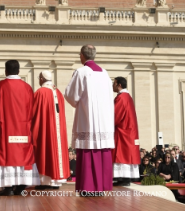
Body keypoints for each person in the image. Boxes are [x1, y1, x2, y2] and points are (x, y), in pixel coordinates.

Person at [65, 45, 114, 194]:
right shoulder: (105, 73)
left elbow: (71, 96)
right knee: (102, 152)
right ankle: (101, 187)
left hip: (88, 120)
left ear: (81, 55)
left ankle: (88, 187)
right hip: (104, 121)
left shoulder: (81, 72)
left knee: (88, 152)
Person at [0, 60, 40, 196]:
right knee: (23, 154)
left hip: (6, 128)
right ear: (19, 70)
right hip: (23, 128)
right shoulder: (27, 87)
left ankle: (8, 187)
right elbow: (32, 109)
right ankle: (22, 184)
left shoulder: (0, 86)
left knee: (7, 154)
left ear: (6, 71)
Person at [32, 70, 70, 189]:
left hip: (45, 128)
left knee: (45, 149)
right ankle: (56, 181)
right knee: (56, 150)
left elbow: (33, 113)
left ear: (42, 79)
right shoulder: (58, 92)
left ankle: (45, 182)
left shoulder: (40, 92)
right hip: (57, 130)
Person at [111, 76, 140, 186]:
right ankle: (123, 178)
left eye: (114, 83)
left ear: (119, 84)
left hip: (123, 131)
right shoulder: (127, 97)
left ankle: (123, 178)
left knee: (122, 153)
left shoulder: (122, 98)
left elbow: (115, 115)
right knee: (127, 154)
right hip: (129, 130)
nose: (112, 86)